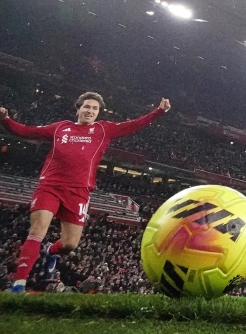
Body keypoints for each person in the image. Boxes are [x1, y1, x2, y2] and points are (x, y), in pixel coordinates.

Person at [1, 92, 170, 293]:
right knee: (37, 230)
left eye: (94, 108)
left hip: (79, 191)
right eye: (87, 107)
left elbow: (134, 124)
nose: (90, 111)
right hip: (50, 186)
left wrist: (158, 112)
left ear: (98, 112)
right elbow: (26, 131)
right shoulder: (60, 128)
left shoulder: (103, 129)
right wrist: (6, 120)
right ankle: (18, 285)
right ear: (78, 108)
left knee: (69, 245)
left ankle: (50, 251)